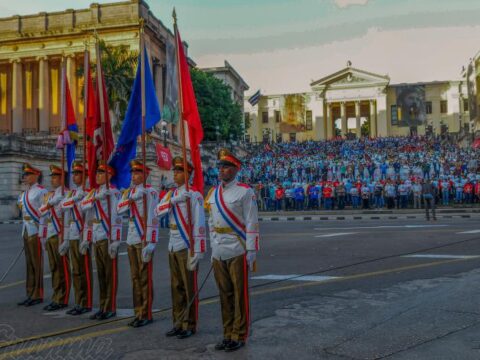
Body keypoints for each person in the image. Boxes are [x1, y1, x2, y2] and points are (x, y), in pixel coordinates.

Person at [206, 148, 259, 352]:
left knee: (239, 294)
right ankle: (227, 333)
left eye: (226, 166)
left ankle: (239, 334)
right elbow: (211, 222)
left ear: (236, 169)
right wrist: (212, 247)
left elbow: (251, 222)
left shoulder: (245, 192)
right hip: (219, 249)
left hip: (238, 248)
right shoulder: (213, 193)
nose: (222, 170)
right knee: (224, 294)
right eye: (220, 166)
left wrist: (252, 250)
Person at [155, 156, 207, 339]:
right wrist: (173, 201)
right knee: (176, 286)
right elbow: (157, 211)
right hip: (172, 243)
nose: (175, 174)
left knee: (188, 286)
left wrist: (198, 250)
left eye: (179, 171)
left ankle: (189, 324)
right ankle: (178, 322)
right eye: (174, 171)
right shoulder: (171, 195)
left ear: (188, 174)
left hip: (186, 245)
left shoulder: (195, 195)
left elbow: (199, 223)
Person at [117, 160, 159, 328]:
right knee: (135, 277)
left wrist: (151, 241)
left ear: (145, 175)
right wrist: (130, 198)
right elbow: (119, 209)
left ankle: (146, 312)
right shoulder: (130, 192)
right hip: (132, 237)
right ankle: (137, 312)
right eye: (133, 173)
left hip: (143, 237)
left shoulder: (151, 192)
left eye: (138, 173)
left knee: (144, 277)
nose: (134, 176)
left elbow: (153, 217)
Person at [81, 160, 122, 320]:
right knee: (101, 274)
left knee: (109, 273)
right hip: (97, 236)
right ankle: (102, 306)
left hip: (107, 236)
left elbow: (116, 217)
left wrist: (115, 240)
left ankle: (110, 307)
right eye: (97, 173)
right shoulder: (95, 193)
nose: (97, 176)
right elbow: (87, 212)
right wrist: (86, 237)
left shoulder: (114, 192)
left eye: (101, 173)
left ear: (109, 175)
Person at [61, 161, 93, 315]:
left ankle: (86, 302)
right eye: (73, 173)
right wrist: (66, 239)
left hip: (81, 235)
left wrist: (86, 239)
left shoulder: (88, 193)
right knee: (75, 270)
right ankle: (79, 301)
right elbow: (65, 211)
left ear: (84, 175)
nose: (75, 176)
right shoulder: (72, 194)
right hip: (73, 233)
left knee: (83, 270)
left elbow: (89, 218)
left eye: (78, 173)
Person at [38, 165, 71, 312]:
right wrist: (42, 234)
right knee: (54, 268)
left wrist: (66, 238)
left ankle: (62, 298)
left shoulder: (67, 194)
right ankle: (56, 296)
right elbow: (43, 216)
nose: (52, 179)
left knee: (62, 268)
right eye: (51, 176)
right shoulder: (50, 195)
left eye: (55, 176)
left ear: (62, 178)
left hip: (60, 233)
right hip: (51, 232)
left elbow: (68, 217)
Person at [17, 163, 48, 307]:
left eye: (28, 174)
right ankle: (29, 292)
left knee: (37, 263)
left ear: (36, 176)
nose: (25, 177)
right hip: (26, 230)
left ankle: (38, 294)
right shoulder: (23, 194)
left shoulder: (41, 192)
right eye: (25, 175)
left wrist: (43, 233)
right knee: (29, 264)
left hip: (36, 230)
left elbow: (44, 213)